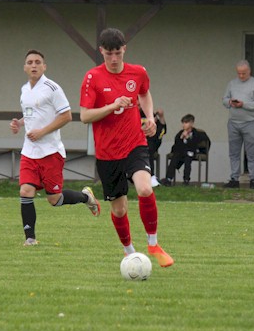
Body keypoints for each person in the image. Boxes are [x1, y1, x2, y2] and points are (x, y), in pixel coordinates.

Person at [79, 28, 174, 268]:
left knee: (144, 188)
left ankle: (153, 243)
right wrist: (111, 106)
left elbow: (144, 94)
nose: (113, 59)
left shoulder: (138, 72)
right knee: (119, 210)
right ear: (101, 51)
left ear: (124, 50)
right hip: (107, 153)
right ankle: (129, 252)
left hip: (134, 143)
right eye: (109, 53)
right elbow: (85, 116)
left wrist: (150, 117)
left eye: (117, 53)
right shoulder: (93, 77)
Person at [10, 50, 101, 246]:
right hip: (29, 151)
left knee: (55, 199)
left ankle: (86, 197)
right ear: (25, 67)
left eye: (38, 62)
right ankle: (30, 239)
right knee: (26, 191)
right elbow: (31, 115)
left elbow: (66, 116)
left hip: (50, 152)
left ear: (44, 66)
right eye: (30, 62)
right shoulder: (24, 90)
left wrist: (42, 132)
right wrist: (20, 123)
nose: (33, 65)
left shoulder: (52, 88)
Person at [221, 60, 254, 189]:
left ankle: (253, 179)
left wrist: (244, 104)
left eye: (243, 73)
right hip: (233, 123)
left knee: (251, 153)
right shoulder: (232, 84)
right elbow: (224, 100)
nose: (241, 76)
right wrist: (230, 102)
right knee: (234, 153)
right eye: (239, 73)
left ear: (249, 71)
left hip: (250, 123)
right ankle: (234, 179)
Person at [160, 113, 210, 186]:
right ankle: (168, 179)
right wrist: (181, 138)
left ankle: (186, 180)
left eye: (186, 123)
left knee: (188, 160)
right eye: (183, 123)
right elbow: (176, 145)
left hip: (191, 152)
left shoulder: (196, 133)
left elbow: (195, 145)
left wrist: (187, 138)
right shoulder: (180, 133)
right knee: (174, 158)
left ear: (192, 124)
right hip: (181, 152)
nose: (184, 125)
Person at [141, 109, 166, 186]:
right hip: (134, 142)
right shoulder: (132, 114)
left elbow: (162, 131)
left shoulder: (150, 113)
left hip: (150, 143)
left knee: (148, 149)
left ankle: (151, 177)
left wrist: (161, 117)